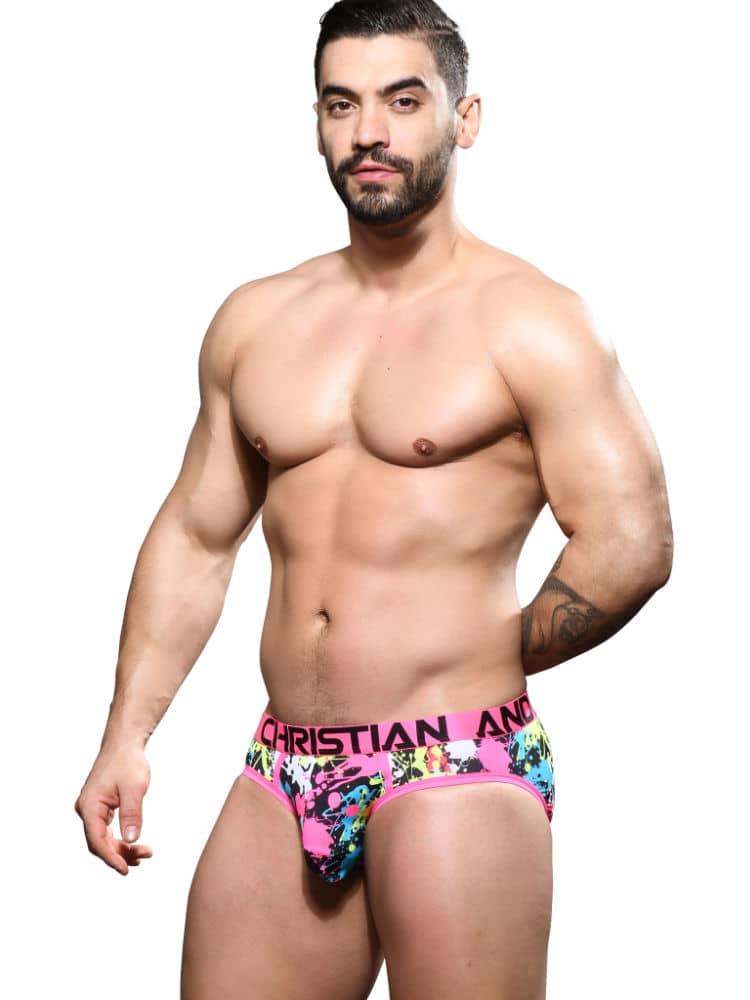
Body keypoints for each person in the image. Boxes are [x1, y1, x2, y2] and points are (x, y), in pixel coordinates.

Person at [74, 2, 673, 997]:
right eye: (342, 104)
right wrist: (125, 736)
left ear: (463, 119)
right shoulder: (257, 320)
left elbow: (631, 541)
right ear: (316, 122)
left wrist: (480, 654)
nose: (369, 133)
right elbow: (197, 536)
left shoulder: (534, 321)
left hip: (455, 757)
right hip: (284, 761)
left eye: (403, 100)